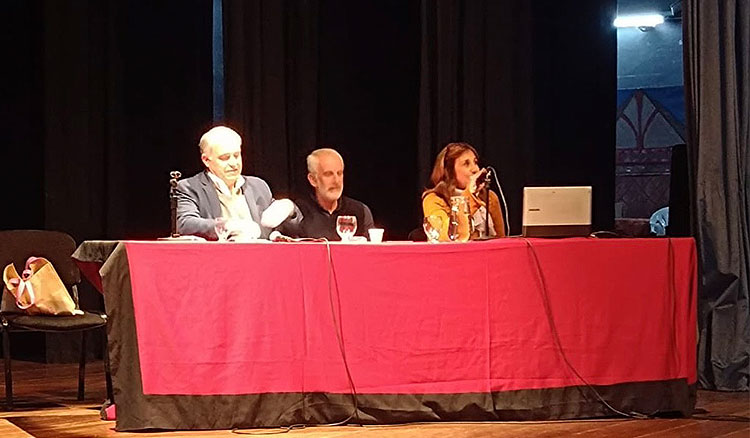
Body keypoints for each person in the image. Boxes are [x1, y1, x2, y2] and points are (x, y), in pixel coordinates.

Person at [176, 125, 301, 240]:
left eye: (236, 155)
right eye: (224, 158)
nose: (233, 163)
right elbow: (185, 224)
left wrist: (290, 209)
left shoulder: (258, 186)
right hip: (218, 259)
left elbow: (289, 228)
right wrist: (226, 226)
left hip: (260, 258)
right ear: (206, 160)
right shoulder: (189, 187)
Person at [282, 148, 374, 240]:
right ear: (313, 180)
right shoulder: (298, 213)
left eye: (339, 173)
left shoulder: (360, 211)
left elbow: (372, 251)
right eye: (328, 174)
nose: (336, 181)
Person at [422, 142, 506, 241]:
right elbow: (448, 236)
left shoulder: (490, 196)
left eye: (475, 162)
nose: (475, 169)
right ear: (449, 171)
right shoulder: (433, 199)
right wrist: (469, 195)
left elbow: (501, 239)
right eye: (466, 164)